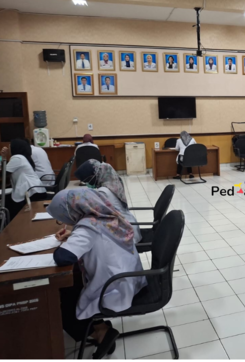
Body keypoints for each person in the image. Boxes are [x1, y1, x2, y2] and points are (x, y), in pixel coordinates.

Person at [48, 189, 146, 358]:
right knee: (75, 285)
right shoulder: (107, 215)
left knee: (63, 300)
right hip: (130, 278)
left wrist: (71, 240)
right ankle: (100, 326)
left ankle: (100, 332)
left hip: (114, 285)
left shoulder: (88, 226)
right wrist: (74, 235)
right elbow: (99, 237)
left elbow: (63, 257)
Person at [74, 159, 141, 243]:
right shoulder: (112, 183)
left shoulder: (104, 191)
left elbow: (95, 213)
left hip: (126, 233)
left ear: (94, 176)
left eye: (87, 181)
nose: (87, 184)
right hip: (129, 225)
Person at [1, 139, 47, 221]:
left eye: (10, 146)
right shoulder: (23, 157)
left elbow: (3, 173)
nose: (8, 148)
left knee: (7, 203)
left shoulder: (17, 158)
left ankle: (9, 225)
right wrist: (4, 157)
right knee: (7, 200)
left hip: (31, 193)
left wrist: (3, 157)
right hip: (36, 191)